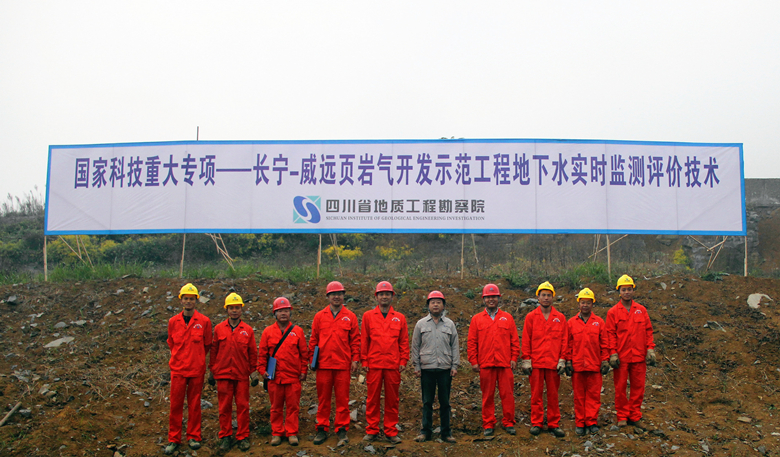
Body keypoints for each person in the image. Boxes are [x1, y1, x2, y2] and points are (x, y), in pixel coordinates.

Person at [309, 281, 360, 447]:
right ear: (328, 296)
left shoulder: (350, 316)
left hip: (342, 365)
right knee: (323, 399)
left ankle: (341, 429)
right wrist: (312, 360)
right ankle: (322, 428)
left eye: (339, 294)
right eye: (333, 294)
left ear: (343, 296)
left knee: (342, 399)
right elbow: (313, 340)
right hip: (323, 365)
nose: (336, 296)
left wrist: (355, 359)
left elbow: (355, 340)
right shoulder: (319, 316)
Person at [165, 283, 213, 455]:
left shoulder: (204, 322)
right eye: (186, 298)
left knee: (194, 404)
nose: (188, 301)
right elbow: (171, 343)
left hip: (196, 370)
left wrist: (196, 358)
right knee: (175, 405)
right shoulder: (173, 322)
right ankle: (174, 439)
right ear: (181, 300)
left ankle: (194, 436)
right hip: (178, 370)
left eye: (191, 299)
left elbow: (207, 344)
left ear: (196, 301)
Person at [467, 283, 520, 436]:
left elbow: (514, 340)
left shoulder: (507, 318)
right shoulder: (477, 319)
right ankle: (488, 423)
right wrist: (474, 361)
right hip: (486, 364)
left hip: (505, 364)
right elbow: (472, 342)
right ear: (484, 299)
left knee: (507, 395)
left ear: (498, 298)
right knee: (487, 396)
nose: (491, 300)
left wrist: (514, 358)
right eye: (488, 297)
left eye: (494, 297)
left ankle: (508, 422)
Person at [208, 292, 259, 452]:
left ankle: (242, 436)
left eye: (237, 308)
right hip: (223, 374)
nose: (234, 311)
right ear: (227, 310)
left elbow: (252, 352)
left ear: (241, 309)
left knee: (243, 406)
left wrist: (253, 372)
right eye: (231, 308)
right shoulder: (218, 329)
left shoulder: (247, 330)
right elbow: (214, 351)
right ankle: (225, 436)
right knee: (224, 407)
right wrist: (211, 371)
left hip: (241, 375)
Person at [360, 281, 409, 444]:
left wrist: (403, 360)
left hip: (392, 365)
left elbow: (403, 341)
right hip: (373, 364)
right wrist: (364, 360)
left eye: (387, 294)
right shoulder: (368, 316)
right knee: (372, 399)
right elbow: (364, 340)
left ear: (392, 296)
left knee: (392, 399)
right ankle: (372, 430)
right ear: (376, 297)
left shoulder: (400, 318)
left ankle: (391, 430)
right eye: (381, 294)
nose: (384, 297)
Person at [257, 297, 309, 446]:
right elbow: (262, 354)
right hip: (275, 378)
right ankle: (277, 433)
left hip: (293, 377)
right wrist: (262, 370)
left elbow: (304, 354)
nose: (283, 313)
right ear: (275, 313)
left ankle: (292, 433)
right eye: (280, 311)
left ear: (290, 312)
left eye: (286, 310)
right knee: (275, 407)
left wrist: (303, 371)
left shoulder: (297, 331)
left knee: (293, 407)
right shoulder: (268, 332)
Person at [607, 275, 656, 428]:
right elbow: (610, 334)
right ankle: (622, 415)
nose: (627, 292)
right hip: (621, 357)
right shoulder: (613, 312)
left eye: (629, 289)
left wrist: (650, 349)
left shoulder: (641, 310)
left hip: (639, 356)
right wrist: (613, 353)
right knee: (620, 388)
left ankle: (634, 415)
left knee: (638, 387)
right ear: (619, 291)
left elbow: (648, 331)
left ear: (633, 290)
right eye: (624, 290)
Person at [411, 291, 459, 443]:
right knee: (427, 402)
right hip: (427, 369)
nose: (436, 305)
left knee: (445, 402)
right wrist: (416, 366)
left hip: (445, 369)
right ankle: (425, 432)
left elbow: (455, 346)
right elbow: (415, 346)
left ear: (443, 305)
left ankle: (446, 433)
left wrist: (455, 365)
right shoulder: (421, 324)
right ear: (428, 305)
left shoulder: (450, 324)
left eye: (439, 302)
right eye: (433, 302)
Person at [521, 281, 568, 437]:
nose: (546, 298)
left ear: (552, 297)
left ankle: (554, 423)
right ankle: (537, 422)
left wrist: (562, 359)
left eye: (549, 295)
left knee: (553, 395)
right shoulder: (531, 317)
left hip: (553, 363)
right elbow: (526, 339)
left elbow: (564, 340)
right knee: (536, 394)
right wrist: (526, 359)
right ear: (538, 297)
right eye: (543, 295)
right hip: (536, 363)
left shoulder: (560, 318)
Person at [565, 288, 609, 436]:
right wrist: (568, 361)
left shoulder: (599, 322)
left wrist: (605, 360)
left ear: (592, 304)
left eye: (588, 303)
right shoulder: (571, 323)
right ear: (578, 304)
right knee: (579, 396)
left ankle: (591, 421)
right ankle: (580, 422)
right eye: (583, 302)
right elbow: (568, 344)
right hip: (577, 366)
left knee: (594, 396)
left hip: (594, 366)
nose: (585, 305)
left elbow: (604, 343)